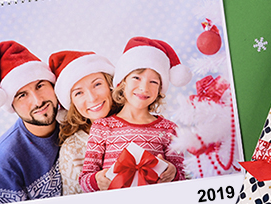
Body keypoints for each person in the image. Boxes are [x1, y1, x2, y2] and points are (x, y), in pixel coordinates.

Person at [79, 37, 192, 193]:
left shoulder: (169, 129)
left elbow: (182, 181)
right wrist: (97, 181)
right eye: (136, 78)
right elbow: (85, 180)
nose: (144, 87)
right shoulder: (103, 127)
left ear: (160, 90)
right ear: (122, 83)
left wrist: (173, 173)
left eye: (153, 82)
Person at [0, 41, 61, 204]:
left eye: (40, 85)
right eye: (22, 95)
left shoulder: (75, 122)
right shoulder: (4, 162)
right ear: (12, 105)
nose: (38, 101)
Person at [48, 50, 119, 195]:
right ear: (72, 103)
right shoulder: (72, 150)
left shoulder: (140, 122)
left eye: (97, 84)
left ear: (110, 84)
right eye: (78, 93)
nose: (92, 98)